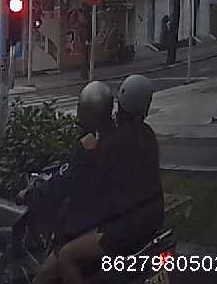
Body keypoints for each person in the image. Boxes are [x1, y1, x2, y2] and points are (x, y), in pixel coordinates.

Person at [37, 75, 163, 284]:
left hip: (125, 227)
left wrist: (88, 152)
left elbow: (92, 179)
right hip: (151, 218)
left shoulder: (116, 140)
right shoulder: (147, 134)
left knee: (67, 256)